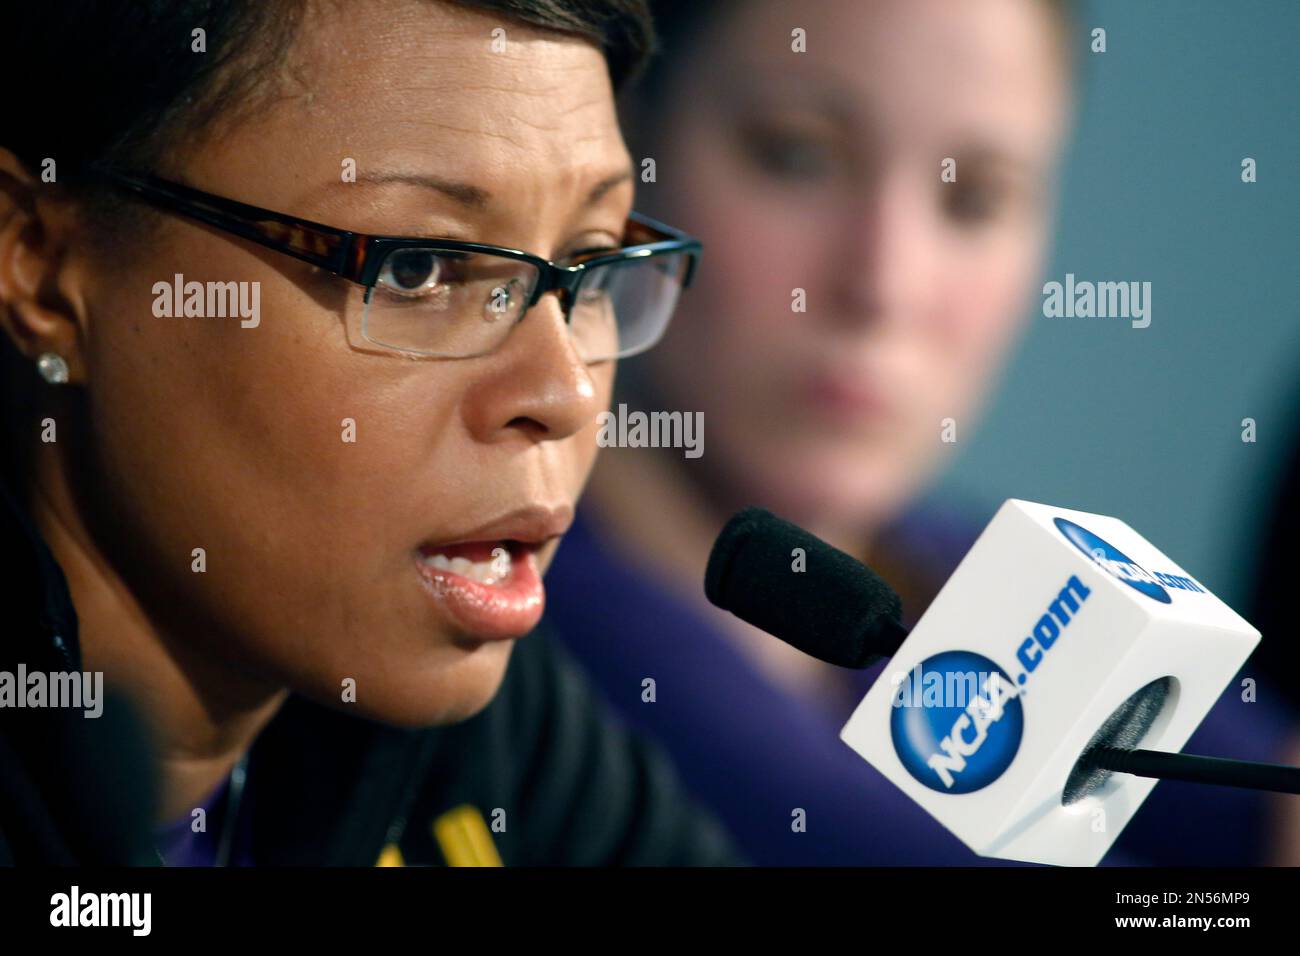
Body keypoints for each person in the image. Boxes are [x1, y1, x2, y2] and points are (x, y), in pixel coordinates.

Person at [545, 0, 1300, 865]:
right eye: (796, 155)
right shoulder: (520, 631)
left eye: (974, 198)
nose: (886, 282)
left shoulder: (965, 560)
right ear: (626, 151)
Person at [0, 0, 742, 866]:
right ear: (43, 266)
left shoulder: (481, 735)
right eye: (418, 267)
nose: (567, 392)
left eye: (592, 256)